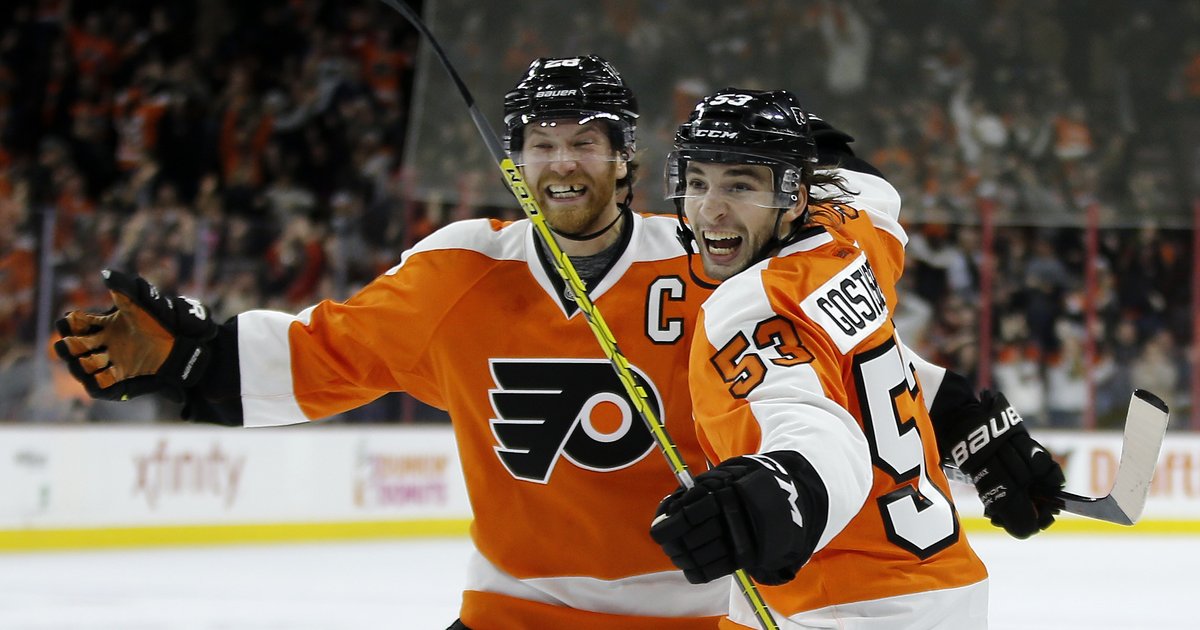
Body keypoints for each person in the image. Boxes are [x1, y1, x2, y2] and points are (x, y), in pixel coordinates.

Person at [54, 58, 1061, 630]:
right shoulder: (459, 271)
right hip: (515, 615)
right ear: (516, 163)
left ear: (629, 163)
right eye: (542, 143)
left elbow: (828, 364)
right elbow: (329, 355)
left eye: (587, 141)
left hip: (700, 616)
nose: (563, 161)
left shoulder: (707, 263)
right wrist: (197, 361)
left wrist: (967, 414)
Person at [649, 88, 1062, 629]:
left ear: (795, 197)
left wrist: (779, 493)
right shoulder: (853, 237)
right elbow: (874, 194)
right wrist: (956, 411)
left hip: (837, 608)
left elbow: (819, 434)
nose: (710, 208)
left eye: (741, 184)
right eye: (697, 182)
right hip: (945, 589)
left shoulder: (749, 304)